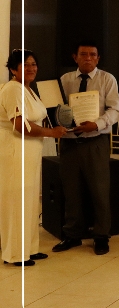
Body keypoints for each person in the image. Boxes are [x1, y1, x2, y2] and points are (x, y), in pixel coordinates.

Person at [52, 40, 119, 256]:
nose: (88, 58)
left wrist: (97, 124)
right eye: (83, 54)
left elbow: (115, 110)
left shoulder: (107, 79)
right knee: (71, 191)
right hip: (69, 142)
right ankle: (72, 234)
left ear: (98, 58)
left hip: (95, 142)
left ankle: (101, 236)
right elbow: (55, 108)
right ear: (75, 57)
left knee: (100, 191)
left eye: (93, 54)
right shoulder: (64, 80)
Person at [0, 50, 67, 266]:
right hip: (15, 151)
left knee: (29, 201)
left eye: (33, 64)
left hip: (29, 152)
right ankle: (14, 254)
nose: (31, 68)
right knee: (17, 202)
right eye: (25, 65)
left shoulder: (27, 88)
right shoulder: (12, 89)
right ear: (13, 69)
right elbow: (21, 125)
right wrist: (51, 132)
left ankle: (28, 249)